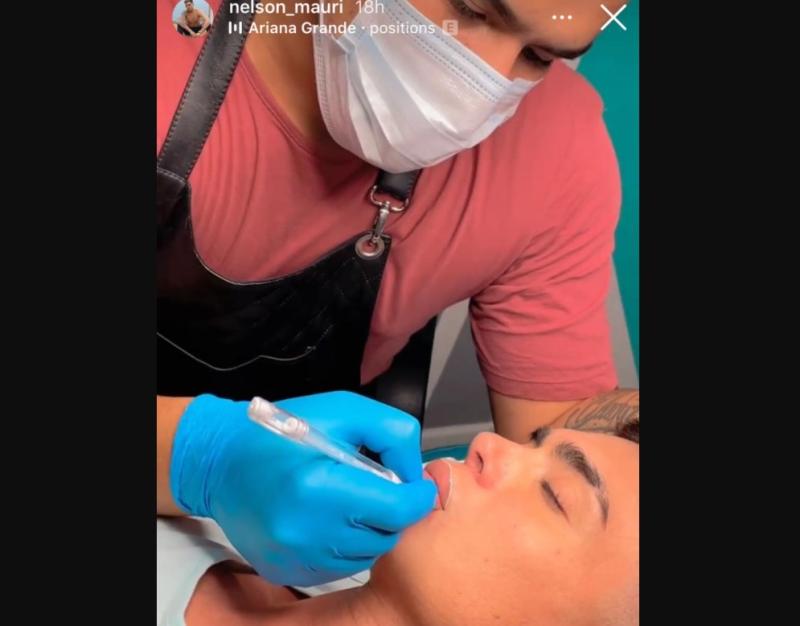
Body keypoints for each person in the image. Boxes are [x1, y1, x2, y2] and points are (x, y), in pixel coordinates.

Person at [156, 0, 640, 586]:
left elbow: (570, 439)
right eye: (471, 9)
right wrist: (199, 455)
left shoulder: (559, 150)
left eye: (539, 56)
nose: (480, 84)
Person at [158, 421, 639, 625]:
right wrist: (193, 454)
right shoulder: (275, 525)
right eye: (533, 443)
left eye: (555, 494)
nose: (487, 443)